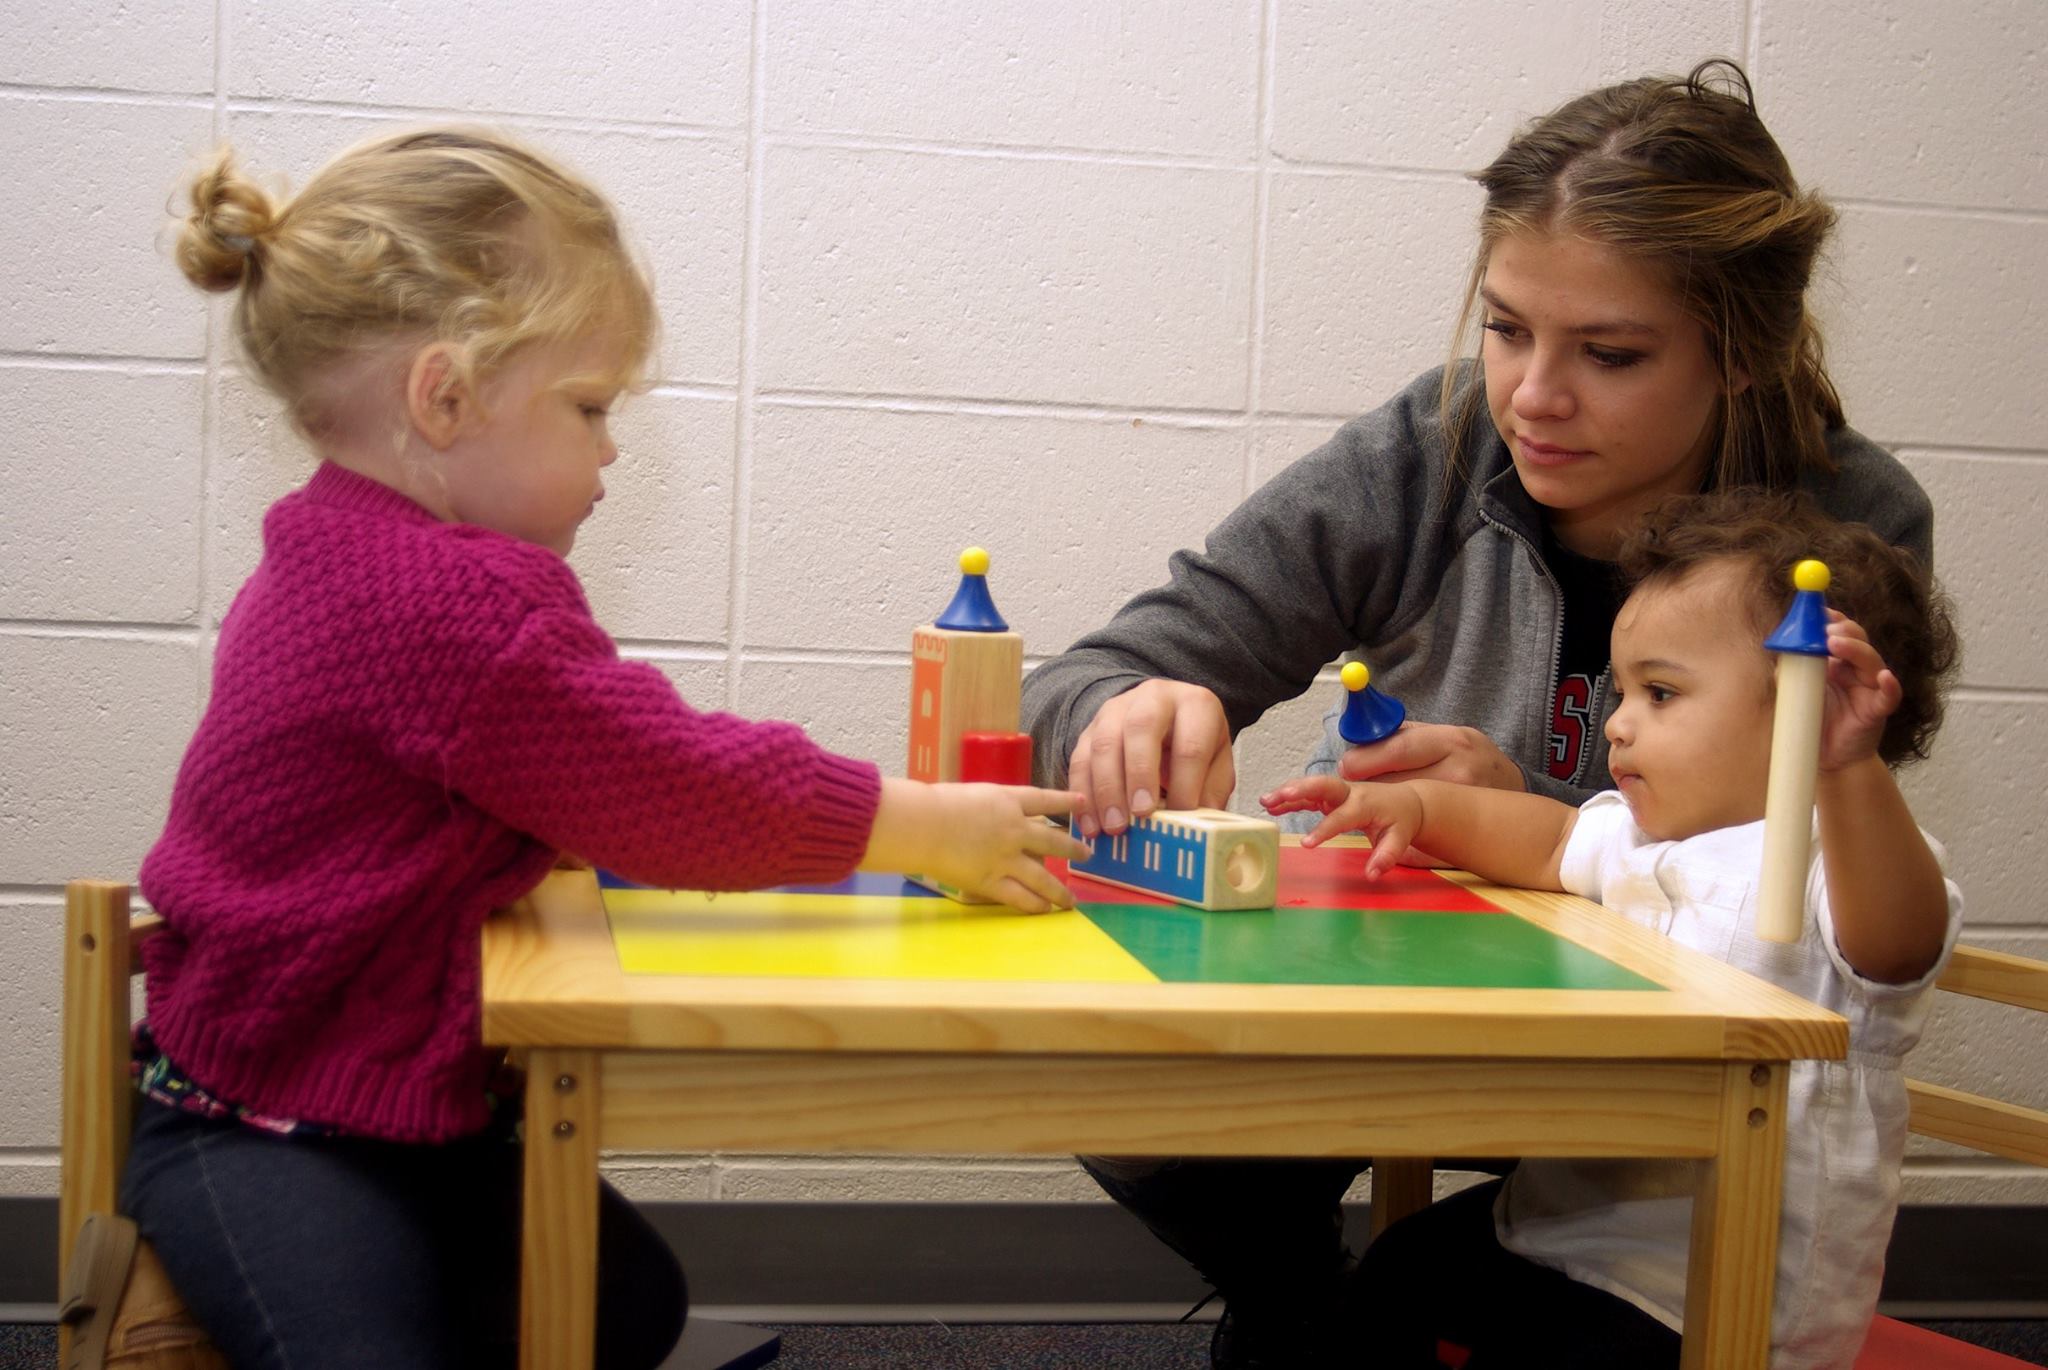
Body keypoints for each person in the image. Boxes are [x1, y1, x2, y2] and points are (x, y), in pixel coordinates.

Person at [121, 127, 1091, 1370]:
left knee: (625, 1298)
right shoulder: (448, 601)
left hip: (385, 1102)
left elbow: (561, 776)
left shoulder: (334, 537)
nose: (611, 449)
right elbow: (665, 779)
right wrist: (914, 819)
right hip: (253, 1120)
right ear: (445, 395)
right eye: (588, 406)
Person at [1020, 59, 1937, 1368]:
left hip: (1673, 1058)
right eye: (1507, 328)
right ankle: (1294, 1296)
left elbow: (1817, 882)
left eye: (1609, 354)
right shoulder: (1432, 446)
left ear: (1743, 353)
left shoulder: (1845, 528)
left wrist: (1537, 821)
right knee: (1132, 1094)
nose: (1532, 397)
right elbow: (1085, 677)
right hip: (1407, 1005)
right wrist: (1134, 708)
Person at [1263, 486, 1963, 1369]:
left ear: (1809, 706)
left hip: (1718, 1284)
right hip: (1565, 1224)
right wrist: (1413, 804)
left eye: (1661, 693)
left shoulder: (1841, 856)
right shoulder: (1640, 837)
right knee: (1393, 1275)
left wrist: (1849, 770)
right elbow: (1550, 837)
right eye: (1625, 689)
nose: (1619, 723)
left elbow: (1895, 947)